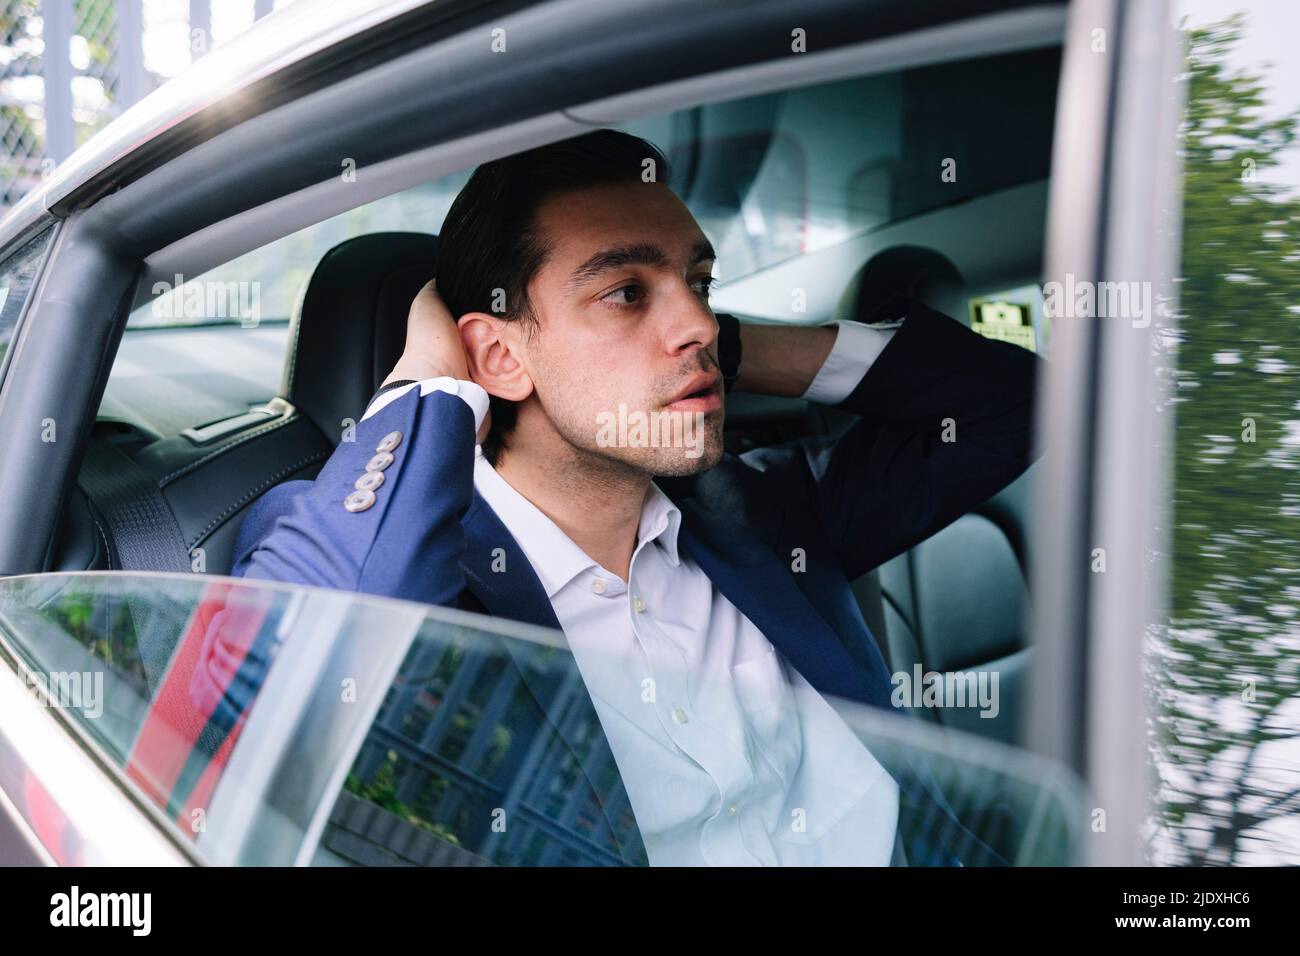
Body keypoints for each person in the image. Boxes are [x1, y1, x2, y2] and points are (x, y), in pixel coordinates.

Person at [232, 129, 1041, 866]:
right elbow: (296, 688)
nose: (695, 317)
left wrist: (728, 344)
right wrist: (433, 388)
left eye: (698, 280)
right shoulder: (425, 580)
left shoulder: (768, 518)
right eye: (625, 291)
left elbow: (1015, 404)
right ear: (500, 356)